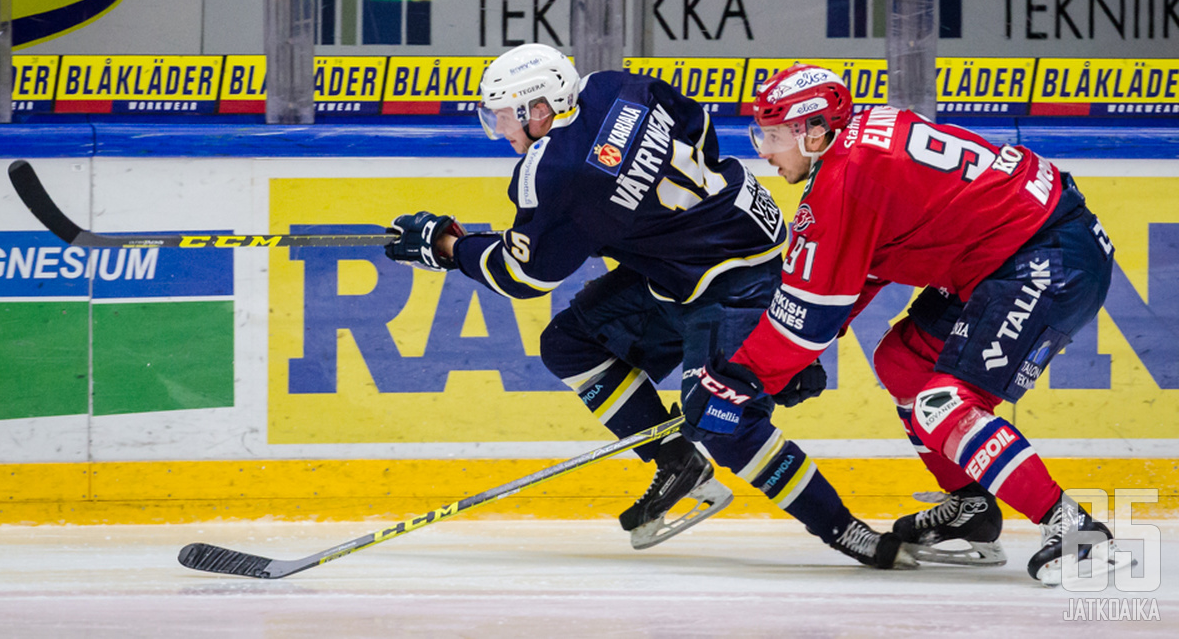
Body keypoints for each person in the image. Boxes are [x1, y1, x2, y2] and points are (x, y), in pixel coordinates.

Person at [385, 43, 913, 568]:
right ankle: (677, 463)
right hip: (723, 238)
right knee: (569, 343)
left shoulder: (555, 175)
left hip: (732, 277)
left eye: (504, 117)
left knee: (722, 419)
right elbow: (699, 127)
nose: (500, 130)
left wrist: (448, 248)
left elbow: (523, 275)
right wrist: (644, 225)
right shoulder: (613, 86)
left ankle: (845, 530)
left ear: (539, 109)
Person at [680, 62, 1126, 585]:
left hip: (1043, 256)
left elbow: (808, 314)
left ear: (814, 129)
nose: (764, 150)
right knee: (903, 361)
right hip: (1004, 254)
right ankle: (971, 506)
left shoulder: (843, 180)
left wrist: (741, 381)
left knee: (946, 406)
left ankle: (1073, 528)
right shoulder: (858, 151)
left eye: (774, 135)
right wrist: (790, 362)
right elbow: (855, 273)